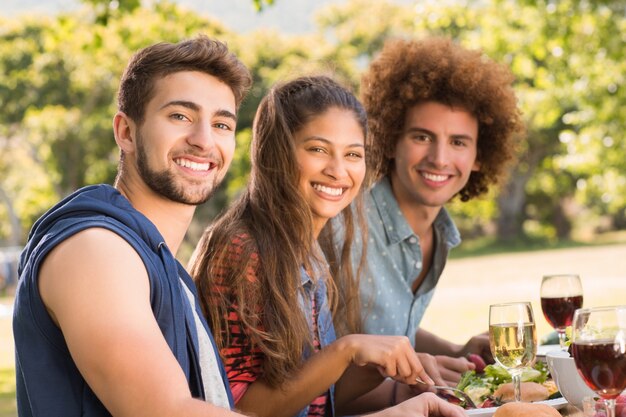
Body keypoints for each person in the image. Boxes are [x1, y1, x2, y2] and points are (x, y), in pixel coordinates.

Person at [189, 75, 466, 417]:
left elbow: (317, 401)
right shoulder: (242, 250)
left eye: (353, 154)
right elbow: (240, 411)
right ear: (278, 153)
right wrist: (346, 351)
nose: (338, 171)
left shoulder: (308, 251)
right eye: (318, 149)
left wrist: (382, 372)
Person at [12, 35, 255, 416]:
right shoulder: (96, 250)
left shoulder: (163, 267)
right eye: (180, 116)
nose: (203, 140)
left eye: (222, 124)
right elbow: (166, 411)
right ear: (126, 132)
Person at [353, 36, 524, 387]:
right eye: (422, 137)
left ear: (478, 157)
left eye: (458, 142)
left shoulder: (440, 234)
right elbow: (327, 346)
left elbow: (391, 327)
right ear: (389, 140)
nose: (440, 159)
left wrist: (456, 350)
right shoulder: (348, 228)